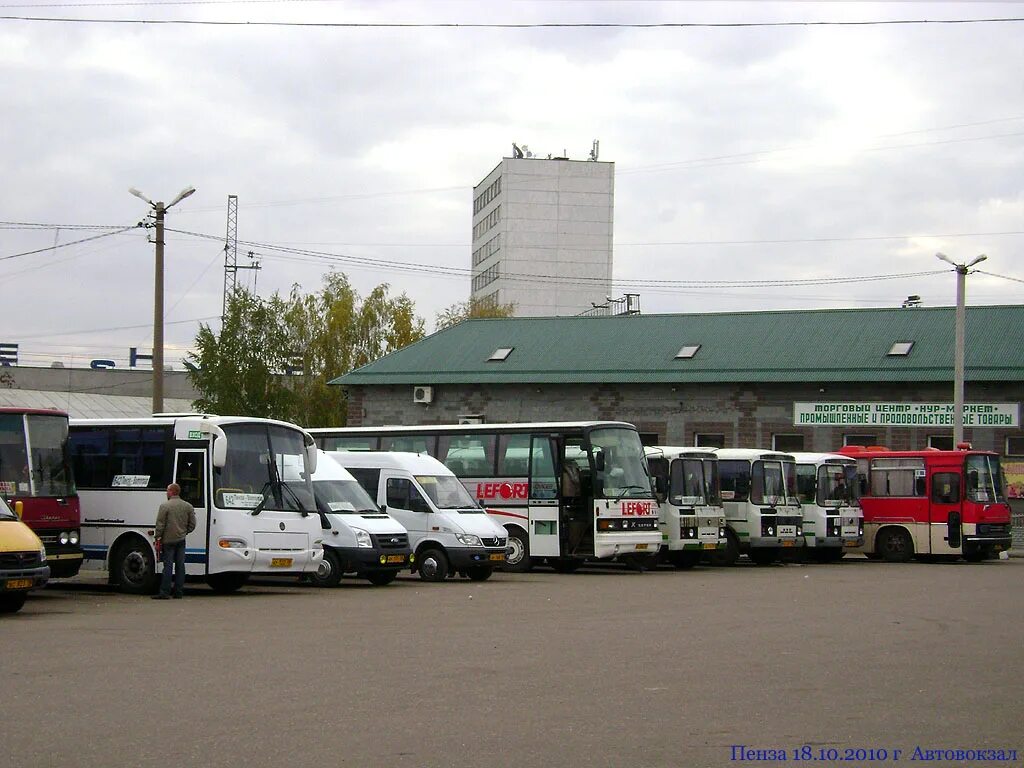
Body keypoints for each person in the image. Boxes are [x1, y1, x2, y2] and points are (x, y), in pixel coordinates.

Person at [152, 483, 196, 600]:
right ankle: (178, 592)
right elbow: (193, 524)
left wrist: (158, 538)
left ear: (171, 492)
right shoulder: (188, 506)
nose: (167, 493)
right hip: (181, 539)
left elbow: (160, 524)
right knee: (180, 566)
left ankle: (165, 592)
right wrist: (185, 532)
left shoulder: (165, 506)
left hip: (168, 540)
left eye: (167, 490)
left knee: (168, 566)